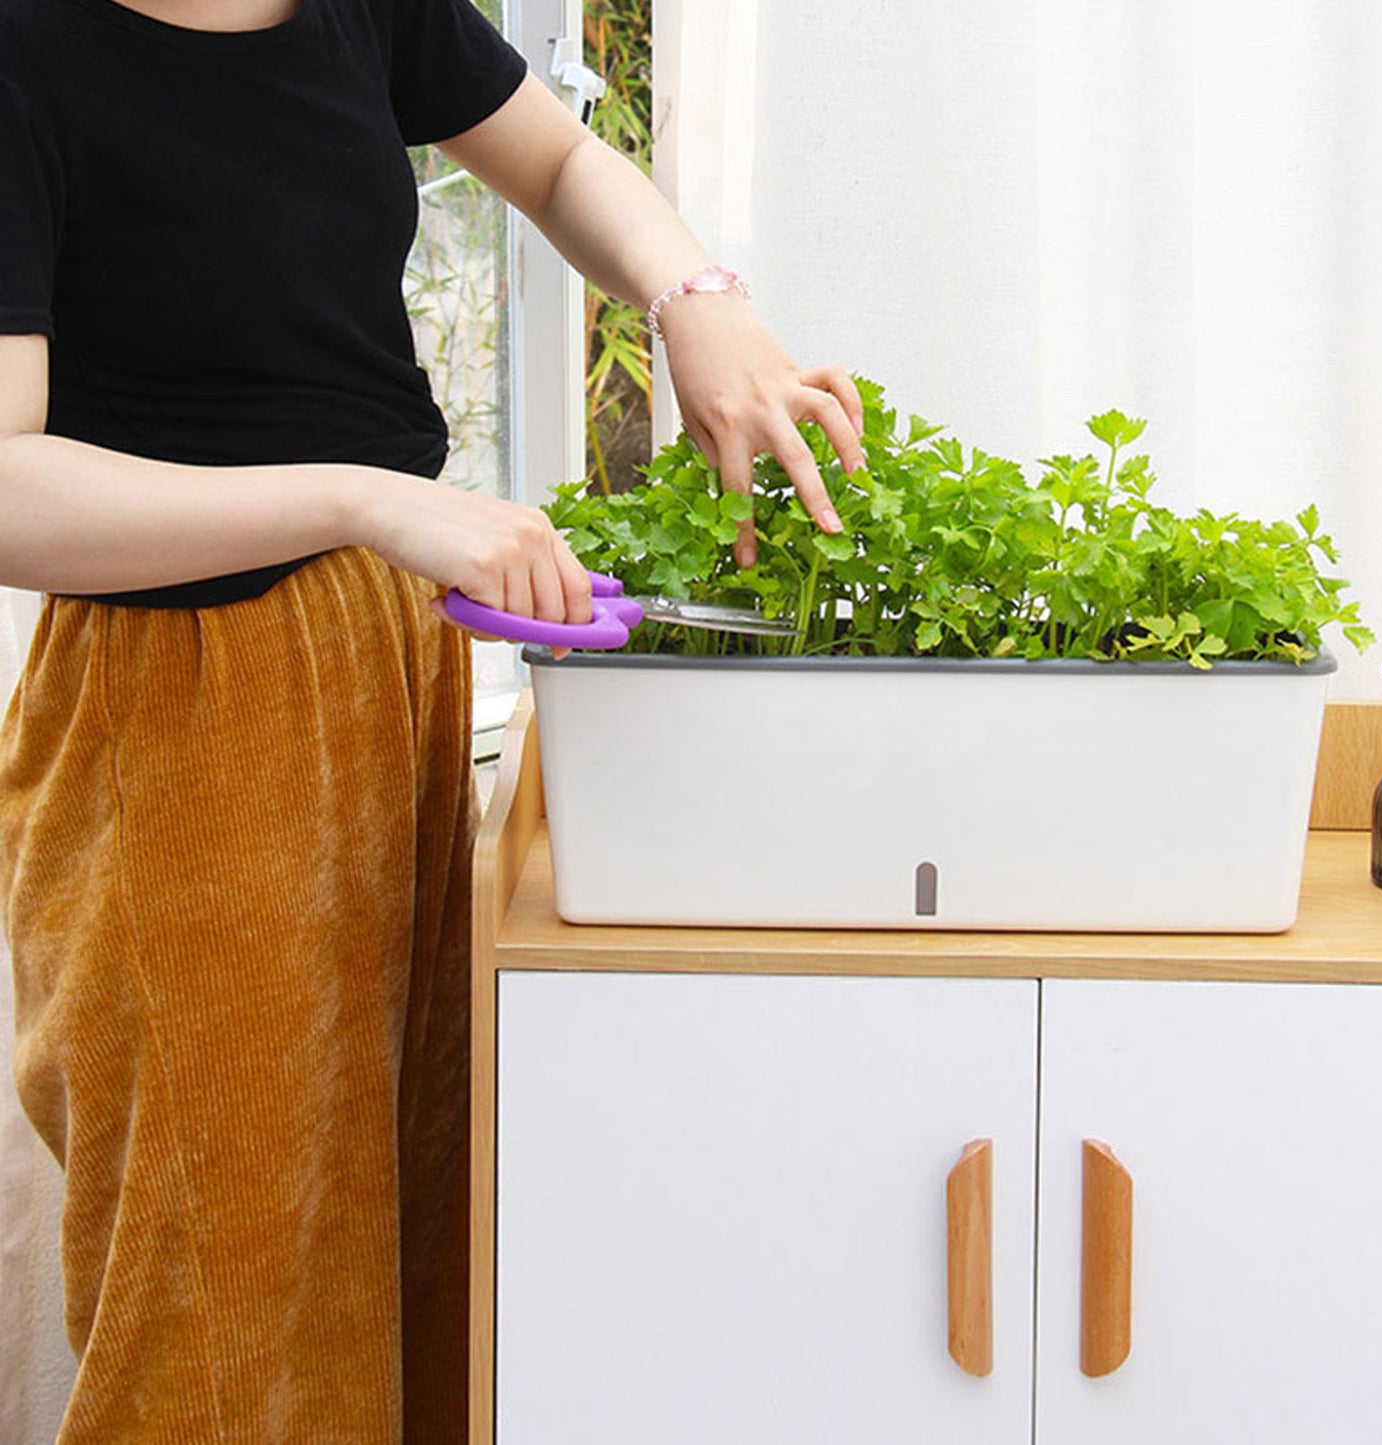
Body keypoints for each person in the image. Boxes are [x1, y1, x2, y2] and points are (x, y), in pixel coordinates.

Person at [0, 0, 865, 1438]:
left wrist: (697, 301)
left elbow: (556, 164)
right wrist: (363, 494)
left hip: (384, 655)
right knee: (219, 1291)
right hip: (175, 703)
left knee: (390, 1219)